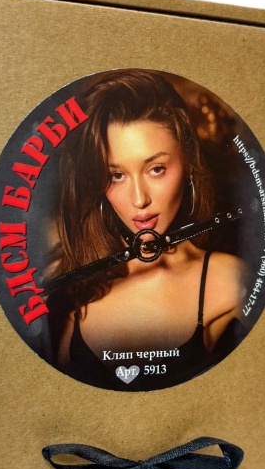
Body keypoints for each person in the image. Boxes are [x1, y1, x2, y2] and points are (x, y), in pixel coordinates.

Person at [48, 69, 246, 390]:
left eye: (156, 169)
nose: (139, 199)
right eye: (116, 176)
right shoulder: (71, 286)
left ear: (188, 162)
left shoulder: (229, 283)